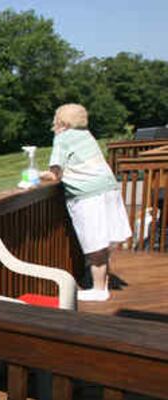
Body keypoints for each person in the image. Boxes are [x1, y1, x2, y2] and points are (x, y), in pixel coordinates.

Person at [41, 103, 132, 301]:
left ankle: (99, 290)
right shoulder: (86, 135)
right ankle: (102, 282)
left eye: (54, 122)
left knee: (94, 243)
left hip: (90, 195)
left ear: (61, 123)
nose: (53, 126)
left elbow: (55, 174)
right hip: (109, 189)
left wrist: (36, 174)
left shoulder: (62, 139)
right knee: (103, 241)